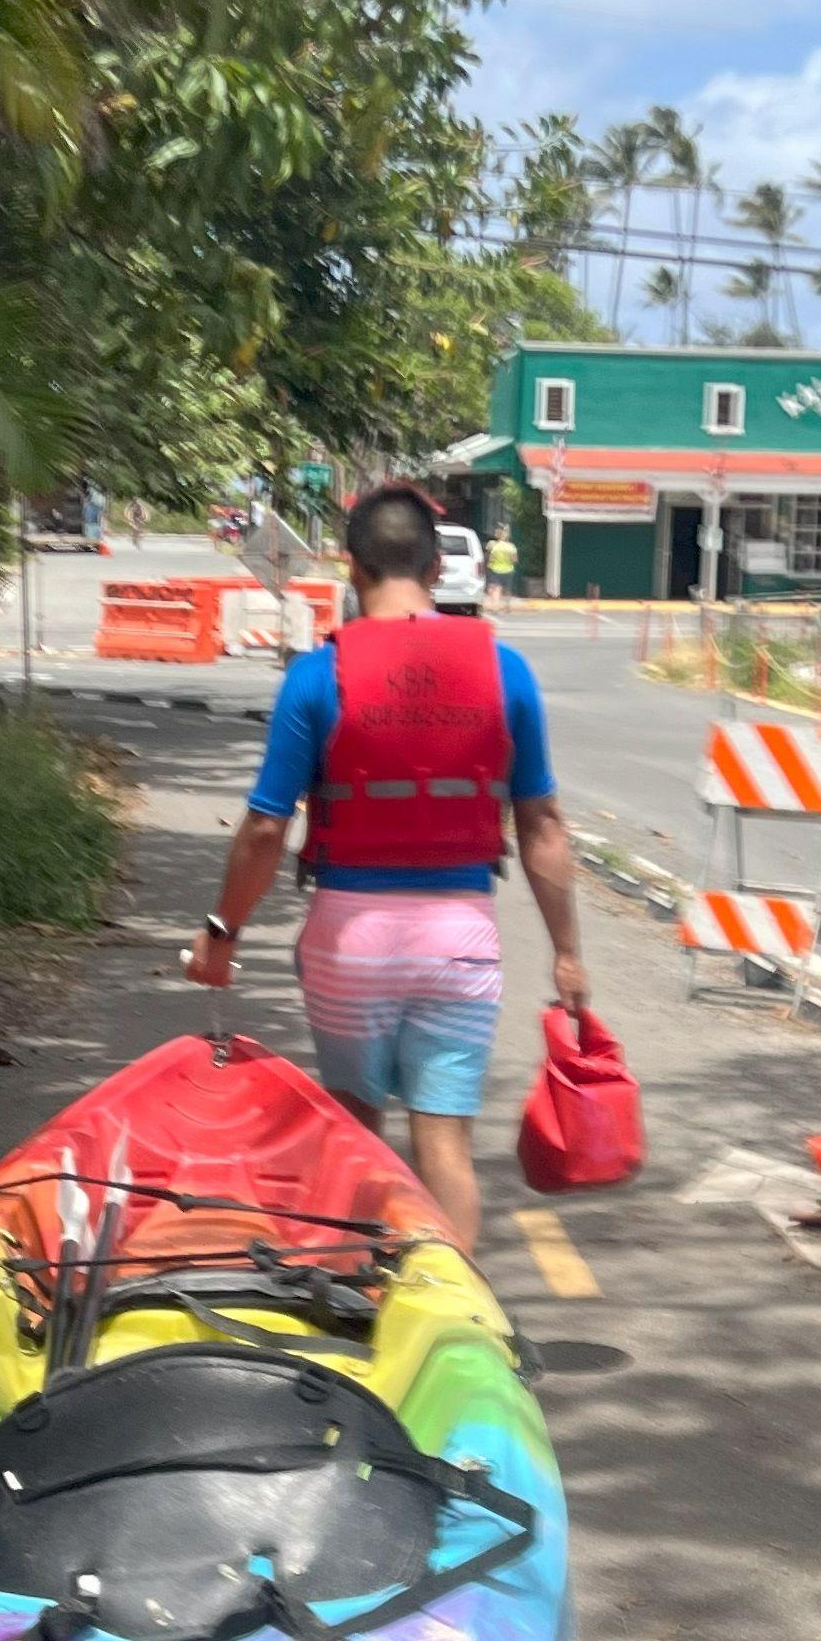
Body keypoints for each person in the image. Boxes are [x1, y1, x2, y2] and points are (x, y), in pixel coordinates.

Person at [181, 479, 589, 1256]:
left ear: (350, 567)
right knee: (446, 1149)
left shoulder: (315, 677)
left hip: (350, 944)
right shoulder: (506, 674)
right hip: (460, 943)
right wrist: (567, 953)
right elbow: (542, 824)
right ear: (437, 570)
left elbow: (267, 827)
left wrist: (221, 933)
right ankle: (454, 1329)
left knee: (355, 1136)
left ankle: (356, 1310)